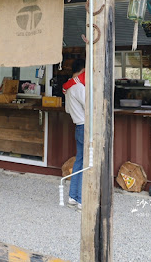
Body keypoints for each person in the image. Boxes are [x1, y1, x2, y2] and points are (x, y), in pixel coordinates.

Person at [63, 58, 85, 210]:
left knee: (79, 162)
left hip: (78, 126)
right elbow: (91, 106)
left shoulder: (69, 88)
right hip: (86, 127)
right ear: (83, 70)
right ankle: (82, 199)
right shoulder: (79, 87)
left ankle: (73, 197)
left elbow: (67, 110)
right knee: (86, 164)